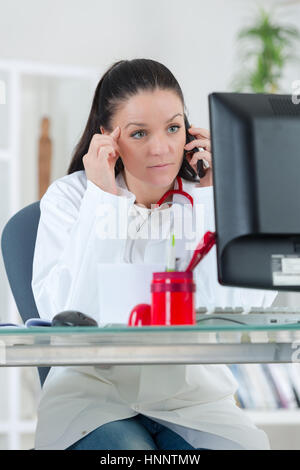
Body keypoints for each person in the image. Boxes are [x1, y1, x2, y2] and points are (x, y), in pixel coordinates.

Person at [31, 58, 277, 450]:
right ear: (106, 138)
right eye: (140, 133)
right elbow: (68, 313)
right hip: (94, 397)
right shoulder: (72, 199)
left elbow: (236, 310)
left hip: (191, 397)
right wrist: (104, 202)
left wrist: (218, 197)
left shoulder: (205, 199)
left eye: (174, 128)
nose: (162, 148)